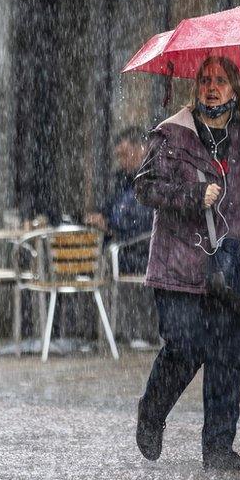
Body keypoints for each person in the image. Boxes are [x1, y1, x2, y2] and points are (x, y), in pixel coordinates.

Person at [133, 55, 240, 471]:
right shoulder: (173, 134)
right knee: (185, 346)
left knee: (228, 356)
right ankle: (152, 410)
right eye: (204, 81)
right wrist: (189, 196)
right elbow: (143, 186)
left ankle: (218, 448)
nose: (211, 88)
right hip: (180, 267)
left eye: (220, 81)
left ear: (235, 89)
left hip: (233, 268)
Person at [84, 126, 156, 345]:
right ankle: (96, 331)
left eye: (125, 155)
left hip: (143, 252)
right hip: (117, 248)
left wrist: (112, 227)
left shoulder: (153, 181)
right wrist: (98, 219)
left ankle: (124, 332)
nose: (122, 161)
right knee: (81, 262)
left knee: (97, 263)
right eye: (119, 156)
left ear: (141, 149)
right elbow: (107, 209)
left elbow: (146, 222)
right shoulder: (121, 181)